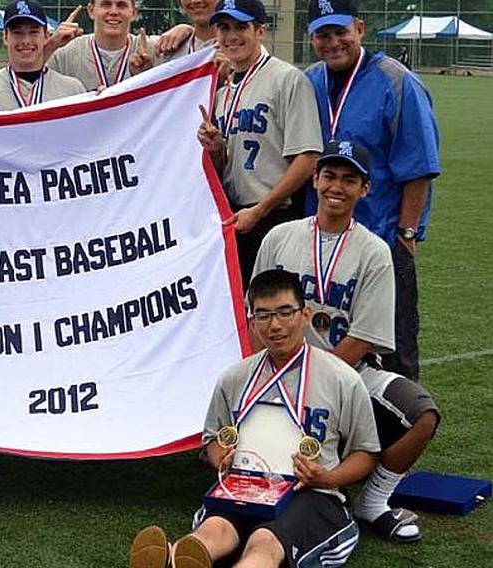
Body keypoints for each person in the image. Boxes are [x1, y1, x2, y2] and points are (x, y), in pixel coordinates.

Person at [253, 141, 440, 543]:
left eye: (349, 179)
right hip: (277, 371)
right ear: (316, 180)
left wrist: (319, 384)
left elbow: (362, 337)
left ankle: (373, 502)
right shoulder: (279, 238)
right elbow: (256, 313)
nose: (337, 187)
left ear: (365, 189)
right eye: (330, 176)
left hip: (349, 372)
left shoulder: (374, 251)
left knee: (421, 411)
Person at [129, 269, 380, 568]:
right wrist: (220, 458)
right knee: (213, 530)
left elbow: (366, 453)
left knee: (264, 543)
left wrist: (326, 478)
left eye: (285, 312)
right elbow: (213, 438)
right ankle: (173, 557)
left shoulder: (341, 379)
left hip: (311, 494)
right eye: (263, 315)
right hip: (242, 487)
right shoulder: (234, 378)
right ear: (252, 320)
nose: (274, 325)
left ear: (305, 315)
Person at [304, 0, 441, 381]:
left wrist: (405, 235)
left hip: (380, 237)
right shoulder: (309, 81)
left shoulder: (397, 81)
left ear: (360, 29)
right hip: (320, 241)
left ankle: (400, 425)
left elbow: (418, 168)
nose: (332, 42)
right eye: (322, 34)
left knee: (391, 344)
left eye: (340, 32)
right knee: (322, 338)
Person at [196, 0, 322, 289]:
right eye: (224, 28)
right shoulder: (223, 88)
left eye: (241, 27)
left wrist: (261, 209)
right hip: (235, 217)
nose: (231, 36)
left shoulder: (287, 79)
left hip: (275, 215)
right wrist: (215, 148)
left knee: (271, 313)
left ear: (261, 31)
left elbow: (308, 157)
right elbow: (225, 165)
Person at [0, 0, 84, 112]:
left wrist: (102, 99)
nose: (25, 41)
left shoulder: (73, 90)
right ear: (5, 37)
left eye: (33, 32)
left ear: (46, 36)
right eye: (17, 33)